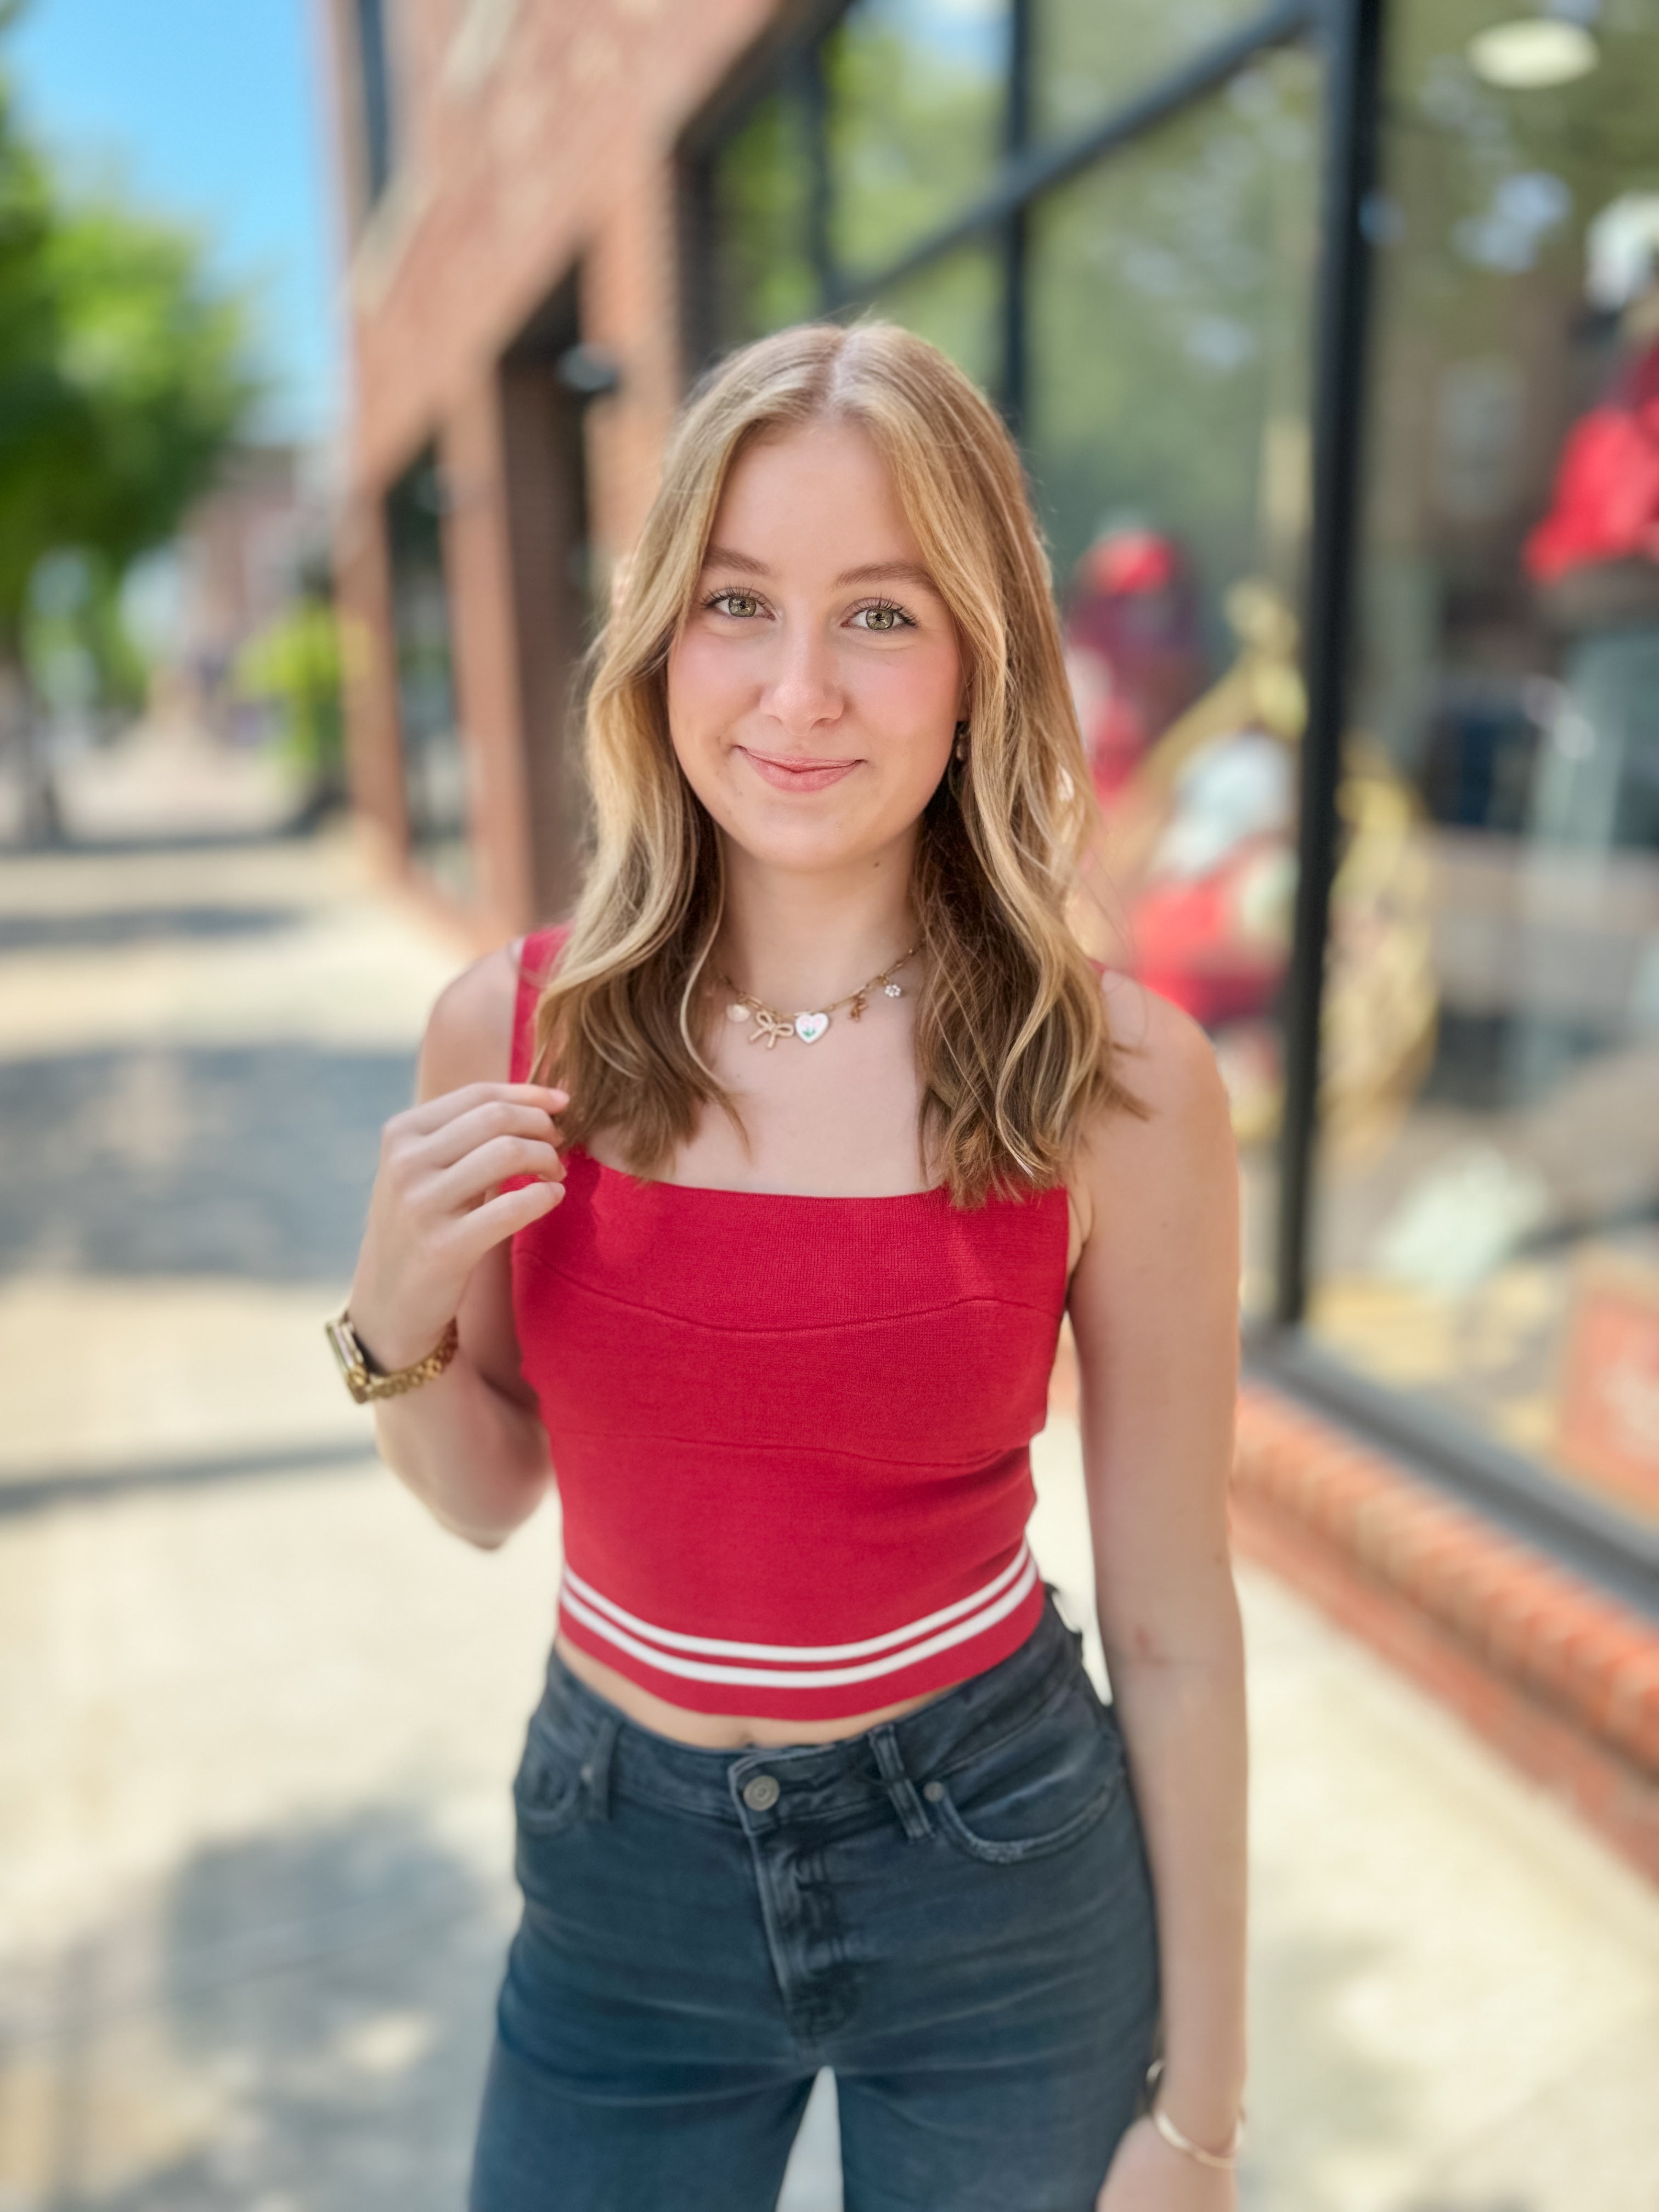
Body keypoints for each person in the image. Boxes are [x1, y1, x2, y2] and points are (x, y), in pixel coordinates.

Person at [335, 323, 1246, 2212]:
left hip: (999, 1865)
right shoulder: (511, 1028)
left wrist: (1203, 2117)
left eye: (885, 615)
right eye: (741, 601)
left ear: (983, 652)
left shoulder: (1122, 1079)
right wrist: (389, 1313)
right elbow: (487, 1497)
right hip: (621, 1874)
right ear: (666, 633)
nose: (800, 690)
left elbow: (1172, 1624)